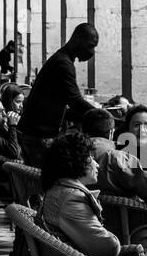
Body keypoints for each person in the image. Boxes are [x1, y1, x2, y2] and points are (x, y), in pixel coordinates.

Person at [18, 23, 99, 163]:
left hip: (34, 132)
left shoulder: (62, 59)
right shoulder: (63, 64)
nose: (92, 52)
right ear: (78, 38)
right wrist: (103, 116)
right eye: (91, 45)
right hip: (39, 135)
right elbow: (76, 101)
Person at [84, 107, 147, 207]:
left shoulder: (73, 154)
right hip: (127, 220)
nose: (141, 130)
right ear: (111, 133)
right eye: (136, 125)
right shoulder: (119, 159)